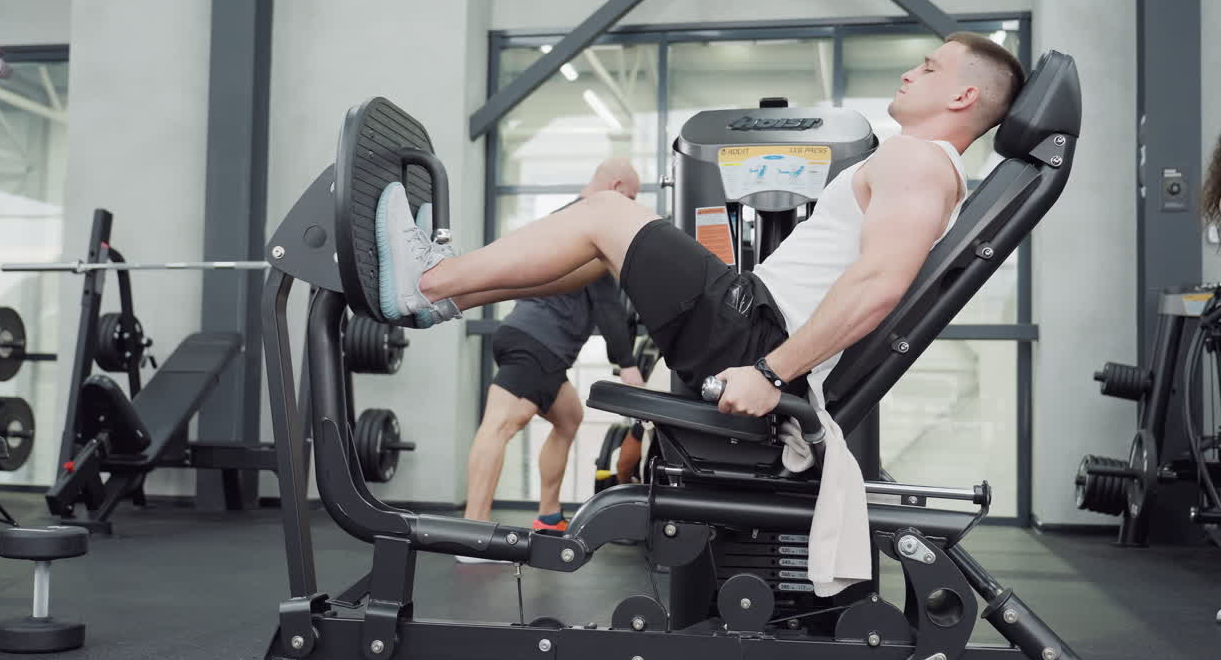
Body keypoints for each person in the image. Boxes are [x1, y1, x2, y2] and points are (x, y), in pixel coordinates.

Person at [376, 31, 1025, 427]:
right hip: (753, 316)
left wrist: (769, 375)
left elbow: (878, 285)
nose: (912, 73)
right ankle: (443, 298)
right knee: (607, 245)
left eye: (931, 68)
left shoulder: (918, 161)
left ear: (964, 98)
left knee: (605, 211)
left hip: (756, 332)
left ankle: (427, 281)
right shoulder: (923, 164)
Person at [452, 160, 645, 562]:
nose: (631, 206)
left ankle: (548, 517)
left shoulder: (570, 217)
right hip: (533, 342)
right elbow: (607, 304)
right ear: (614, 186)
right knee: (501, 425)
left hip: (543, 349)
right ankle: (472, 535)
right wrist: (627, 364)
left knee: (569, 417)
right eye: (631, 197)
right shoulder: (593, 223)